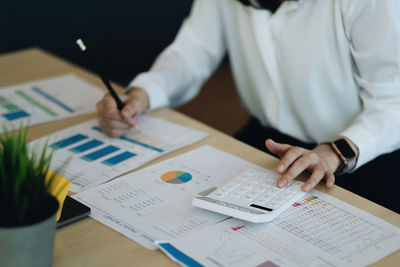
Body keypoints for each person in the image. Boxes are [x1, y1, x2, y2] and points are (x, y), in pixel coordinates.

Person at [97, 0, 400, 213]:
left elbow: (394, 102)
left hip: (356, 156)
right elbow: (193, 51)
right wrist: (142, 94)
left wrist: (334, 153)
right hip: (267, 144)